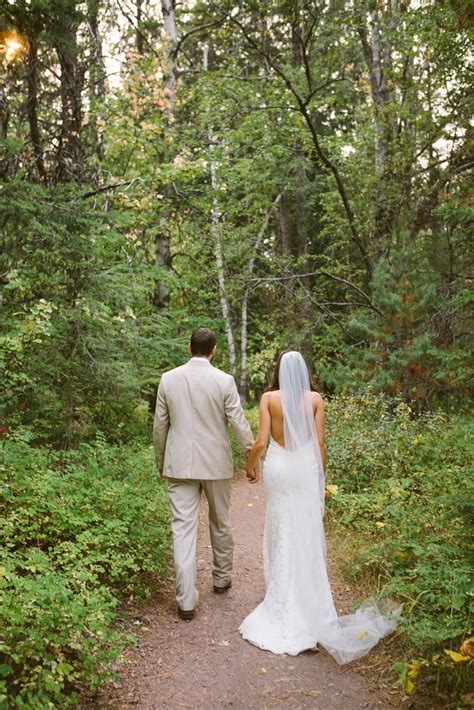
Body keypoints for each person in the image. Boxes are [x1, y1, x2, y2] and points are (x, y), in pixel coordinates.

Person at [239, 350, 400, 662]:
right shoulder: (314, 399)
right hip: (304, 467)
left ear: (278, 370)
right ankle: (307, 603)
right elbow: (321, 443)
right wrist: (320, 477)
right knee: (306, 529)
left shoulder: (269, 398)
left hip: (279, 467)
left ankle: (281, 600)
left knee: (280, 526)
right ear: (303, 372)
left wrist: (249, 466)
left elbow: (260, 442)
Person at [153, 327, 257, 621]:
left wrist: (161, 459)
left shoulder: (168, 379)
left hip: (180, 464)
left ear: (189, 348)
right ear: (214, 350)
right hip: (216, 464)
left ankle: (186, 600)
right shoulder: (223, 380)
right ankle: (221, 579)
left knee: (182, 530)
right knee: (220, 520)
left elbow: (160, 426)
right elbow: (237, 421)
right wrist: (251, 454)